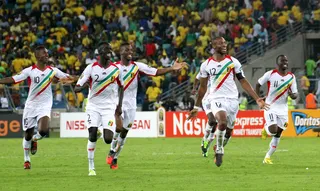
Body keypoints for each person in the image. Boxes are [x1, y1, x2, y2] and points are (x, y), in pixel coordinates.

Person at [188, 37, 268, 167]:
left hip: (232, 100)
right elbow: (202, 87)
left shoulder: (233, 62)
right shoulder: (206, 65)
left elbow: (243, 80)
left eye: (225, 43)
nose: (224, 45)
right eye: (220, 43)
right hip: (215, 98)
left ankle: (217, 146)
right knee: (221, 122)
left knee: (229, 131)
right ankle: (219, 149)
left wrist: (257, 98)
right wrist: (196, 107)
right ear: (213, 45)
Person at [107, 42, 186, 169]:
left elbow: (155, 72)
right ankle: (111, 150)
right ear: (120, 52)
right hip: (117, 102)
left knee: (124, 133)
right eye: (127, 50)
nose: (130, 52)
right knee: (119, 126)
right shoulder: (113, 67)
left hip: (131, 104)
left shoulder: (137, 66)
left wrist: (171, 68)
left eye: (131, 50)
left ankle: (115, 157)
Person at [0, 45, 73, 169]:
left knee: (43, 131)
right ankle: (26, 159)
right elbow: (13, 79)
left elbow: (67, 77)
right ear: (37, 56)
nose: (47, 55)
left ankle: (35, 139)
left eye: (47, 53)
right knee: (27, 134)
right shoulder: (29, 71)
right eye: (44, 53)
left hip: (44, 105)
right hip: (31, 106)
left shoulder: (53, 70)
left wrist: (82, 79)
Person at [74, 42, 124, 176]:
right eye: (107, 49)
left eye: (110, 49)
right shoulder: (91, 68)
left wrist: (119, 106)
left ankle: (101, 131)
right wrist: (84, 86)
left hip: (108, 108)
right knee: (92, 134)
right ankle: (91, 167)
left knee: (108, 139)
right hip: (93, 106)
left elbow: (121, 87)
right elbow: (77, 87)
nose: (110, 51)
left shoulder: (116, 69)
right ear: (100, 52)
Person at [256, 55, 298, 164]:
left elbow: (295, 94)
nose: (285, 62)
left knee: (278, 133)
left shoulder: (291, 77)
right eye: (283, 61)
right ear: (277, 63)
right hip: (270, 106)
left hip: (283, 109)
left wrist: (292, 95)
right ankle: (266, 128)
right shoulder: (270, 74)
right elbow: (258, 84)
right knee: (273, 130)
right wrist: (259, 99)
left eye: (286, 61)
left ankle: (267, 157)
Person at [192, 72, 217, 157]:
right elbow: (196, 78)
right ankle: (205, 139)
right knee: (212, 120)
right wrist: (194, 88)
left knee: (216, 123)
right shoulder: (206, 68)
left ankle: (207, 145)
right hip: (206, 99)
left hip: (217, 99)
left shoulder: (221, 70)